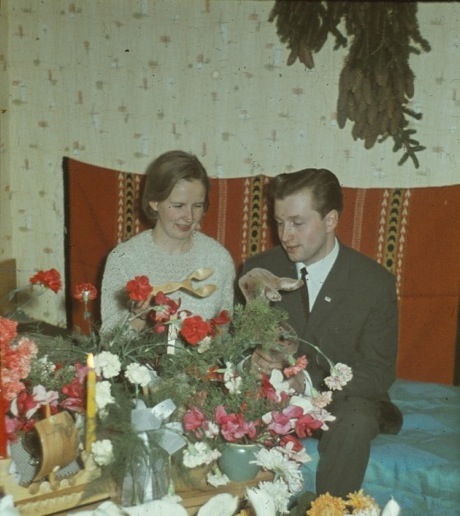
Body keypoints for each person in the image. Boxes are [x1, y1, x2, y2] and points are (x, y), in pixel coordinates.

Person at [240, 168, 402, 498]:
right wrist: (252, 362)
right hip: (271, 397)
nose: (285, 235)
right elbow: (238, 346)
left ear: (330, 220)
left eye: (297, 223)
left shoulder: (374, 283)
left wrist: (306, 383)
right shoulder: (259, 270)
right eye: (279, 222)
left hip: (342, 402)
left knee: (356, 420)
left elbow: (377, 372)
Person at [101, 150, 235, 333]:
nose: (189, 217)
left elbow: (225, 336)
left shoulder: (219, 259)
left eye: (197, 206)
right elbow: (109, 341)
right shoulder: (124, 259)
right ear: (154, 202)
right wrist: (139, 318)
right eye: (178, 206)